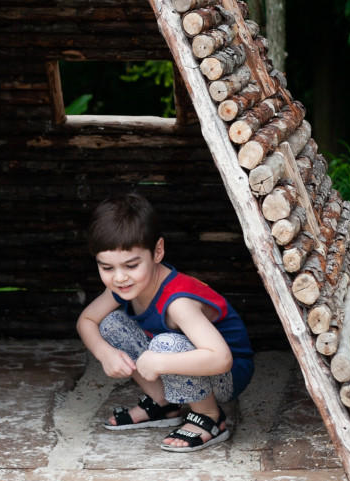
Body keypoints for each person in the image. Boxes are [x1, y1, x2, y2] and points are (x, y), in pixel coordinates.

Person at [76, 193, 255, 453]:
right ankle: (162, 403)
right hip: (184, 360)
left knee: (165, 344)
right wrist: (105, 353)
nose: (119, 277)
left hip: (225, 377)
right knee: (110, 323)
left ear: (157, 251)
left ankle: (209, 417)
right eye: (107, 268)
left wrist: (160, 361)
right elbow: (87, 320)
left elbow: (221, 358)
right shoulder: (123, 286)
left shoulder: (178, 302)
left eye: (131, 265)